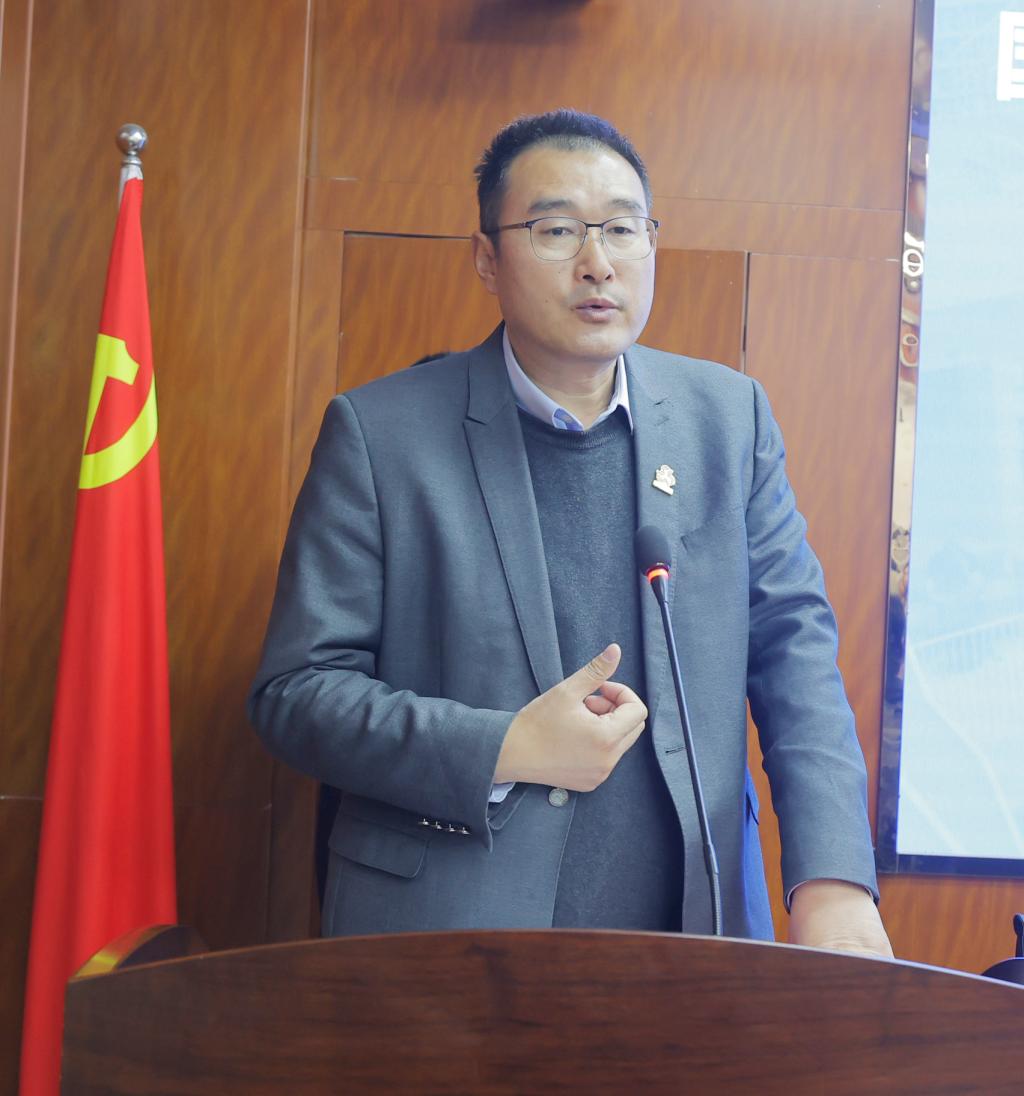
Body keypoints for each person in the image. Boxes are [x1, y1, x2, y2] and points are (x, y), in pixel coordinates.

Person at [249, 109, 892, 955]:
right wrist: (503, 746)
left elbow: (795, 655)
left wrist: (834, 882)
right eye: (556, 230)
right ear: (488, 258)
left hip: (692, 942)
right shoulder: (381, 436)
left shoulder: (727, 420)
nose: (598, 262)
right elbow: (297, 693)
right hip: (445, 946)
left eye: (623, 229)